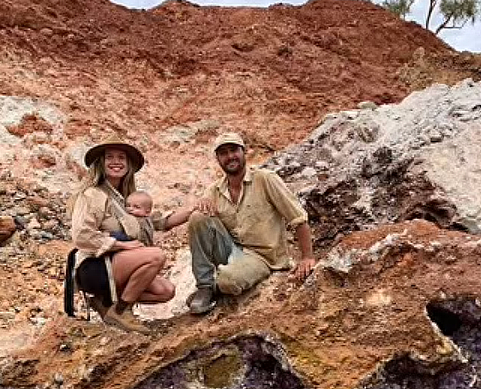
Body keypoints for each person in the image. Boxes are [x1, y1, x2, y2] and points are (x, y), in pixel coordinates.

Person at [68, 137, 195, 332]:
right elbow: (81, 235)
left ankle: (104, 303)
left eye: (121, 158)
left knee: (166, 291)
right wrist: (123, 245)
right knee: (156, 256)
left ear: (128, 165)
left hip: (117, 264)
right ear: (101, 163)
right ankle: (120, 311)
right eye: (109, 157)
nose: (116, 162)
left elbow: (159, 223)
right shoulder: (93, 194)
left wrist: (194, 210)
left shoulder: (126, 200)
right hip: (95, 267)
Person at [187, 132, 316, 315]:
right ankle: (205, 287)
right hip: (230, 249)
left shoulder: (265, 179)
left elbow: (298, 218)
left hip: (262, 257)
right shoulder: (215, 189)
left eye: (234, 150)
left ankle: (217, 286)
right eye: (223, 153)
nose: (230, 156)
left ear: (244, 152)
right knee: (198, 217)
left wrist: (307, 257)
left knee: (229, 280)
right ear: (218, 159)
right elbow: (193, 217)